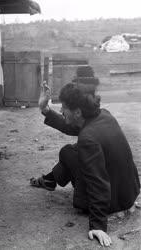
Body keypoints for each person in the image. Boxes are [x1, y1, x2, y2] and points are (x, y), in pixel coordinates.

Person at [30, 81, 140, 247]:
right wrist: (45, 109)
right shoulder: (104, 115)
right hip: (128, 193)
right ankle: (50, 180)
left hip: (113, 201)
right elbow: (72, 127)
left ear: (78, 112)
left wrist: (98, 226)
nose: (61, 110)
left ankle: (50, 179)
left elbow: (98, 182)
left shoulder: (88, 138)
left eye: (64, 107)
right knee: (74, 150)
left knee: (68, 152)